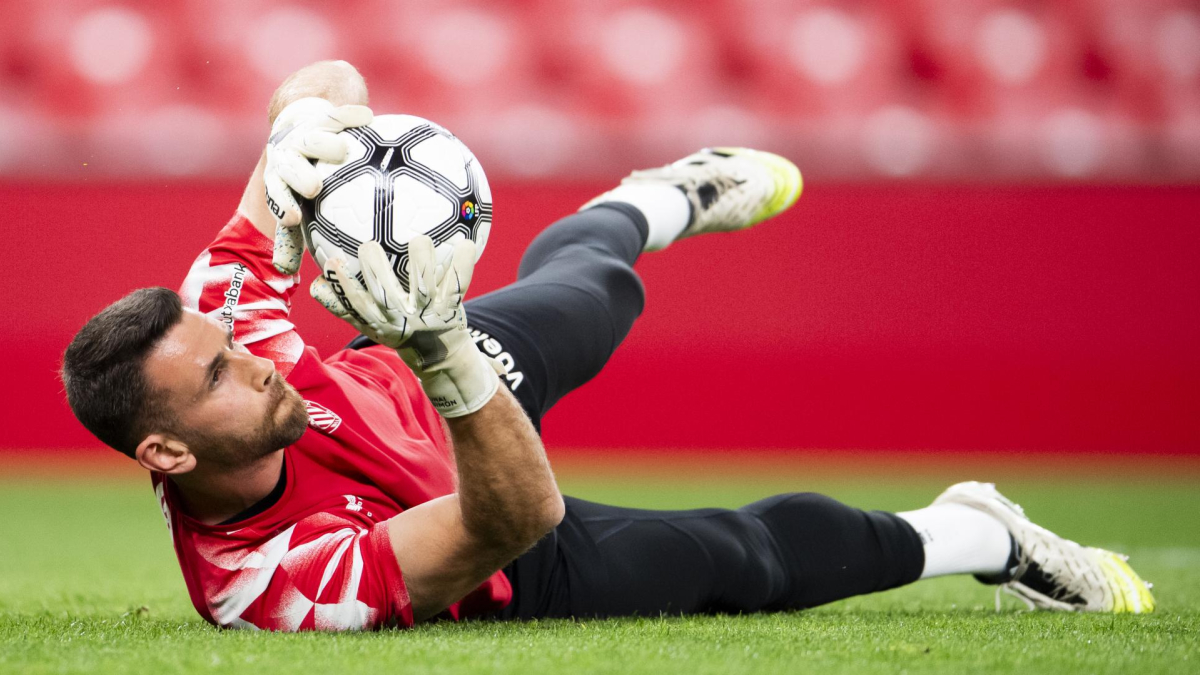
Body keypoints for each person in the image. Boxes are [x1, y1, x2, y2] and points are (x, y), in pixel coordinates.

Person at [61, 61, 1153, 632]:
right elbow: (511, 518)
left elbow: (332, 78)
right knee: (750, 560)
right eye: (217, 376)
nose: (252, 355)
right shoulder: (268, 588)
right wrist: (445, 354)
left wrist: (300, 130)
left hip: (394, 380)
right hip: (500, 531)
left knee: (588, 291)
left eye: (230, 344)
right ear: (165, 454)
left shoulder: (225, 306)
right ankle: (983, 535)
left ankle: (656, 198)